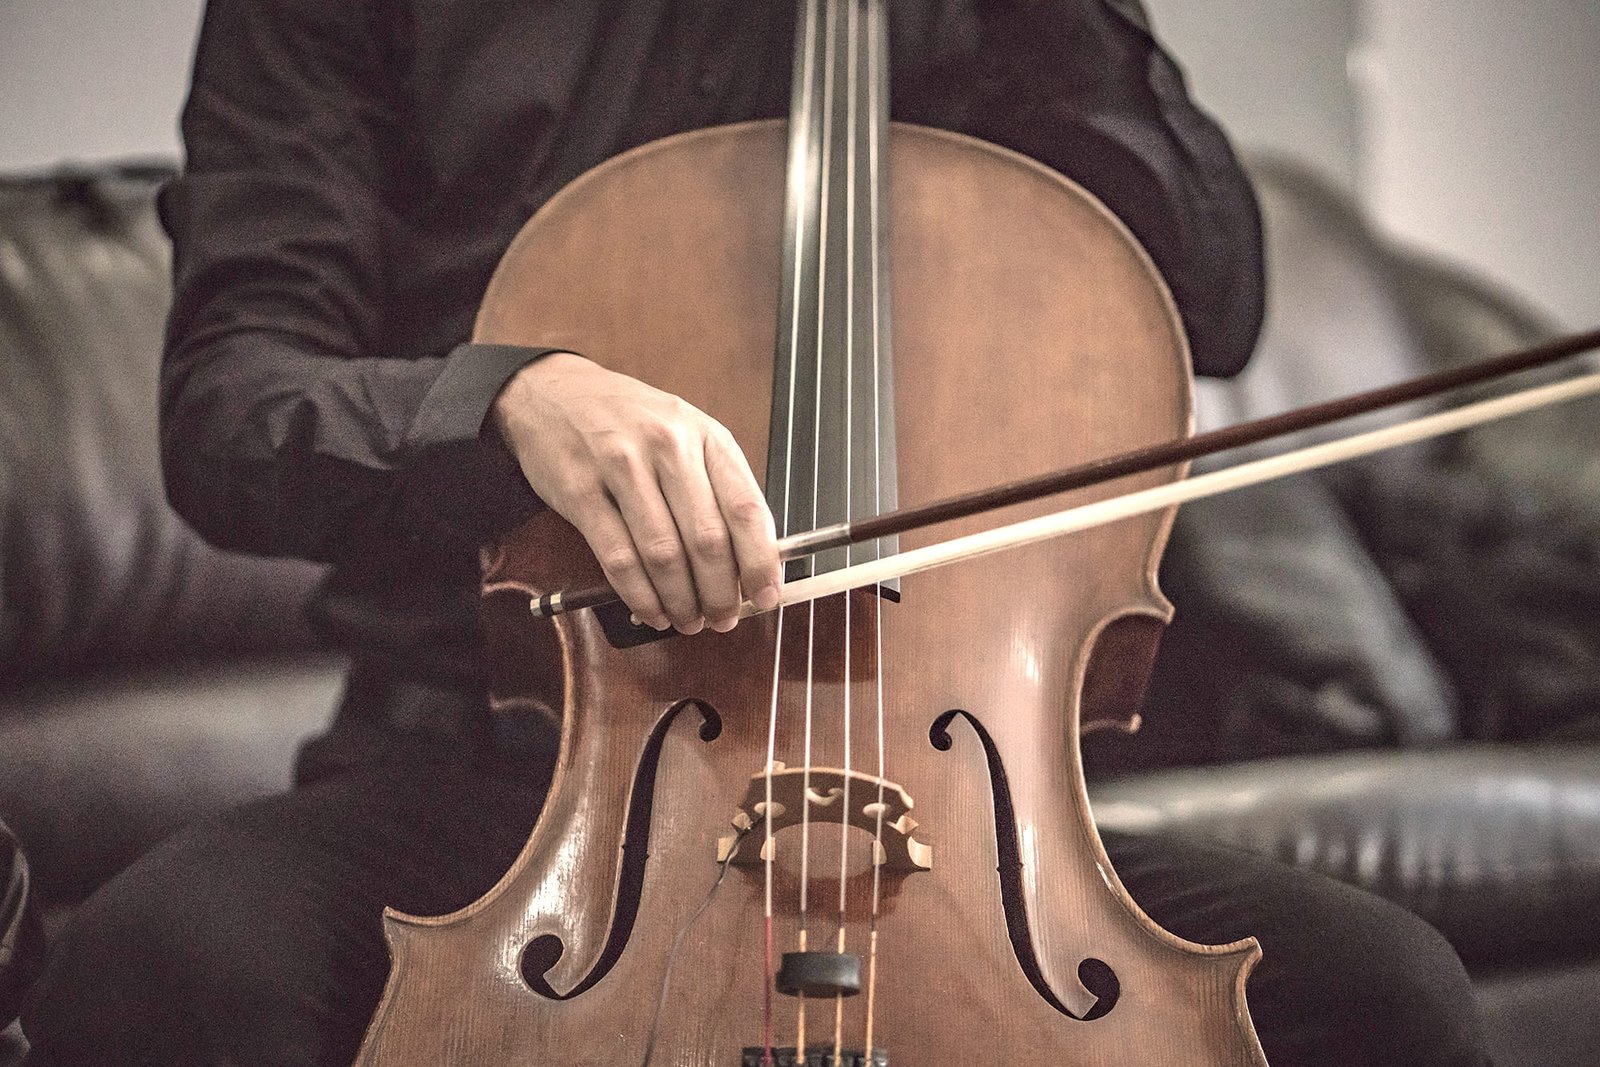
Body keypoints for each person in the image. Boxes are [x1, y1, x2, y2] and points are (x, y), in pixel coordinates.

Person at [19, 2, 1490, 1065]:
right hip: (492, 776)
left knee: (1386, 999)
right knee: (170, 966)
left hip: (953, 803)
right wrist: (508, 402)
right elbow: (231, 408)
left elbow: (1213, 299)